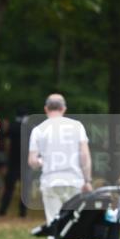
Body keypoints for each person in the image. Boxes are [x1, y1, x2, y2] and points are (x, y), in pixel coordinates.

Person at [27, 94, 92, 230]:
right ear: (63, 108)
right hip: (74, 180)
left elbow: (32, 161)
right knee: (75, 222)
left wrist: (41, 161)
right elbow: (85, 156)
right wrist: (87, 181)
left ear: (46, 109)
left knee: (53, 222)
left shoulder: (38, 130)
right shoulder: (77, 126)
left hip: (50, 181)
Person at [0, 107, 28, 217]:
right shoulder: (29, 127)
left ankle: (3, 210)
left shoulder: (13, 126)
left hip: (13, 162)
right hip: (25, 163)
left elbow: (3, 138)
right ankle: (23, 213)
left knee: (9, 188)